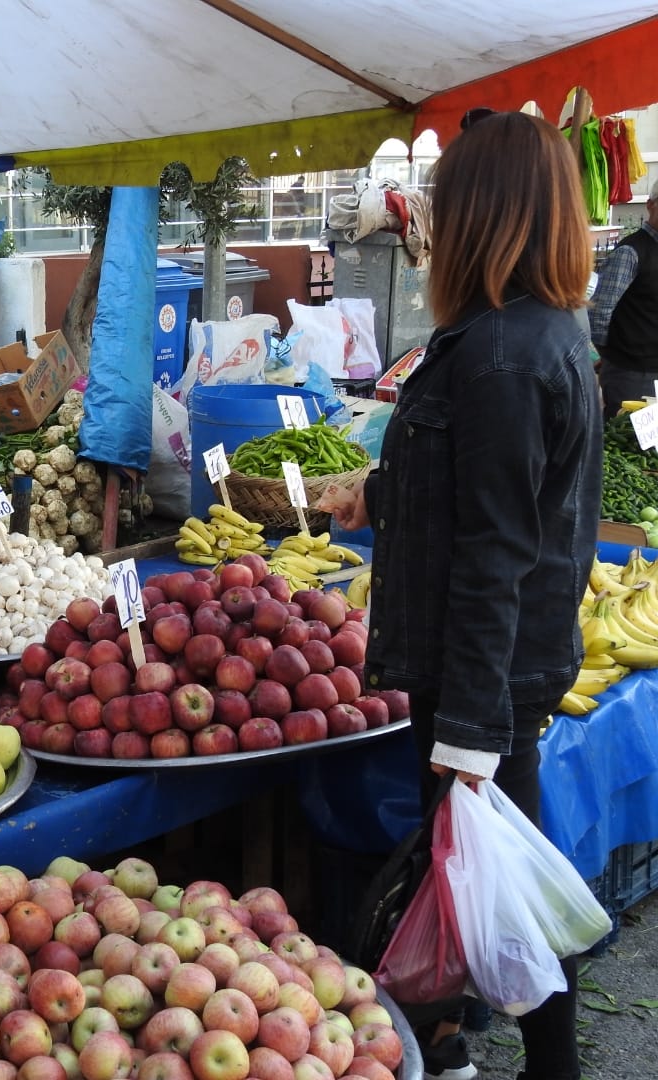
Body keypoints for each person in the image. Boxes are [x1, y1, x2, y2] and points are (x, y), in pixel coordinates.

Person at [329, 112, 600, 1080]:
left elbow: (499, 548)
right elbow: (498, 501)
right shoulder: (519, 336)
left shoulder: (502, 355)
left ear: (487, 213)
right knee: (486, 872)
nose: (432, 220)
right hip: (497, 661)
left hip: (484, 671)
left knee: (503, 880)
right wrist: (388, 488)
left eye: (445, 202)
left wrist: (472, 730)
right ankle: (457, 1043)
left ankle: (532, 1062)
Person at [590, 189, 658, 418]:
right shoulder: (631, 252)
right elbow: (599, 311)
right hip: (632, 373)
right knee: (626, 441)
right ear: (650, 205)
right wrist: (607, 356)